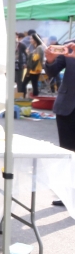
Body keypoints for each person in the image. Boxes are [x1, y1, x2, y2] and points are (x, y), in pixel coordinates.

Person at [45, 40, 75, 206]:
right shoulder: (69, 47)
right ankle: (69, 195)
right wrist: (50, 59)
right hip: (67, 107)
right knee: (68, 152)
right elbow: (52, 71)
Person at [26, 33, 45, 97]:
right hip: (33, 69)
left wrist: (29, 54)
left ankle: (35, 96)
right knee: (34, 84)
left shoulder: (39, 48)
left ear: (35, 40)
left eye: (31, 39)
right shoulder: (36, 48)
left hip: (35, 69)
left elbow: (36, 58)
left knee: (34, 84)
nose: (30, 40)